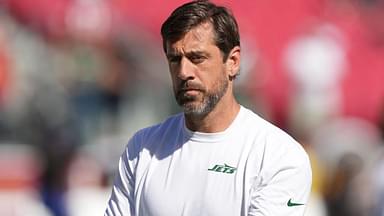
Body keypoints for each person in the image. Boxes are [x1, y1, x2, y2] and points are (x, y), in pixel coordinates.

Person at [104, 1, 312, 215]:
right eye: (175, 59)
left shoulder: (278, 156)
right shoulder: (142, 149)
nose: (184, 71)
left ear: (233, 61)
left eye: (197, 58)